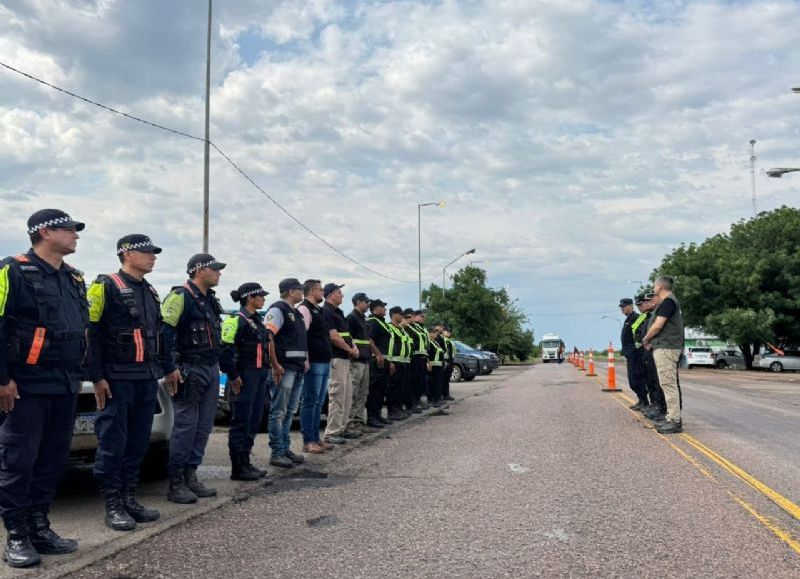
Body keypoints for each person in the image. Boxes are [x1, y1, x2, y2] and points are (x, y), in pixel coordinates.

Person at [0, 209, 87, 568]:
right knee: (18, 461)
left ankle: (40, 526)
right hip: (25, 385)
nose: (76, 235)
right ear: (46, 232)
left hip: (64, 382)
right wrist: (2, 379)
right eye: (70, 229)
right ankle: (17, 535)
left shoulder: (74, 278)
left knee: (52, 460)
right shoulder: (12, 269)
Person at [87, 234, 163, 532]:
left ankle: (129, 497)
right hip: (116, 379)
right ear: (127, 254)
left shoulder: (150, 291)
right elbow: (90, 331)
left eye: (153, 252)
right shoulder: (105, 285)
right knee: (113, 442)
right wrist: (96, 376)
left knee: (138, 441)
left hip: (146, 378)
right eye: (147, 252)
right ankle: (113, 504)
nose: (153, 256)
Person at [160, 253, 225, 504]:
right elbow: (164, 334)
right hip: (189, 368)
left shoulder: (209, 300)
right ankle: (176, 482)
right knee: (186, 426)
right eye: (215, 269)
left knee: (204, 425)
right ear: (199, 270)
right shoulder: (180, 296)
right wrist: (169, 368)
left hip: (210, 368)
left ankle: (191, 475)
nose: (219, 273)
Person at [219, 283, 271, 482]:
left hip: (260, 375)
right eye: (260, 296)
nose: (263, 299)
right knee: (241, 421)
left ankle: (246, 462)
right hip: (244, 376)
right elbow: (226, 350)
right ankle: (238, 467)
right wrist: (233, 376)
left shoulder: (257, 320)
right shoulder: (235, 320)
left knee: (254, 419)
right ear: (250, 298)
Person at [264, 278, 308, 467]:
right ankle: (277, 452)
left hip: (297, 368)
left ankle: (284, 448)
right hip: (284, 368)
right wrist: (275, 365)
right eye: (300, 289)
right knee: (279, 411)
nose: (302, 292)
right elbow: (268, 337)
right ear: (291, 291)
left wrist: (305, 361)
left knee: (289, 411)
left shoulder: (296, 313)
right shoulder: (278, 310)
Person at [642, 276, 685, 434]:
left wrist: (646, 338)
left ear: (660, 287)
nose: (653, 288)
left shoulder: (668, 302)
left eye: (654, 285)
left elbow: (658, 326)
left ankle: (674, 421)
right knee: (667, 383)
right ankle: (671, 417)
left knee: (668, 383)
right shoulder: (666, 302)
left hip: (667, 348)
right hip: (664, 347)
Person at [297, 279, 332, 455]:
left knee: (318, 402)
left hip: (324, 361)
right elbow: (302, 335)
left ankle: (316, 438)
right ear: (312, 291)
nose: (323, 292)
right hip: (314, 362)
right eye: (320, 289)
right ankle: (308, 440)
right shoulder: (305, 308)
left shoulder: (318, 310)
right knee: (310, 401)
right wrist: (305, 358)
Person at [322, 283, 361, 445]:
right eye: (339, 293)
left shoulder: (339, 312)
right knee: (337, 396)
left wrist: (354, 346)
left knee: (346, 396)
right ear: (331, 294)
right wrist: (349, 349)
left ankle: (342, 428)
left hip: (345, 358)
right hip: (336, 357)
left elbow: (346, 335)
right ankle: (332, 432)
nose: (342, 295)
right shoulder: (327, 312)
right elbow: (333, 336)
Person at [346, 292, 380, 432]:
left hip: (365, 361)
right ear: (358, 302)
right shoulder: (352, 318)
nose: (368, 304)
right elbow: (348, 338)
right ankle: (350, 424)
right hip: (356, 361)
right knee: (353, 393)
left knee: (362, 393)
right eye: (366, 302)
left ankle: (359, 422)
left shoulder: (362, 318)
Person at [633, 293, 667, 422]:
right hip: (646, 350)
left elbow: (656, 330)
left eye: (641, 304)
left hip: (655, 350)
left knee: (658, 381)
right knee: (651, 380)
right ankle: (656, 405)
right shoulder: (648, 316)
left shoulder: (657, 314)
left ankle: (661, 407)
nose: (640, 307)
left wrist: (646, 342)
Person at [619, 298, 649, 410]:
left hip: (636, 354)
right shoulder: (628, 319)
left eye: (624, 306)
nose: (622, 309)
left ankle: (644, 401)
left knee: (637, 378)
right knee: (633, 379)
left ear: (631, 306)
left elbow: (639, 335)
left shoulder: (636, 318)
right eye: (621, 307)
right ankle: (641, 400)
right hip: (630, 354)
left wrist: (638, 350)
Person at [366, 299, 392, 428]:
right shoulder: (373, 321)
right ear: (376, 308)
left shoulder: (382, 322)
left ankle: (378, 414)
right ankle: (372, 417)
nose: (385, 310)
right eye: (383, 307)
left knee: (382, 389)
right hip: (376, 360)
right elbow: (369, 339)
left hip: (384, 360)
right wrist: (377, 354)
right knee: (375, 389)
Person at [407, 310, 430, 411]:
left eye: (424, 316)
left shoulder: (421, 328)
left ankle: (417, 399)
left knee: (421, 381)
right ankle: (413, 401)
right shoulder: (411, 327)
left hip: (422, 357)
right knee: (414, 381)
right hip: (415, 357)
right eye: (421, 316)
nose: (423, 318)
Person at [426, 327, 446, 407]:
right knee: (432, 383)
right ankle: (432, 399)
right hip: (432, 365)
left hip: (439, 365)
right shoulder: (429, 342)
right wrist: (428, 364)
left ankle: (437, 398)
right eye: (434, 332)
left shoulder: (436, 342)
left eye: (436, 332)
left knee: (438, 383)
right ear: (430, 333)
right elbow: (427, 353)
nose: (435, 334)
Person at [441, 325, 456, 401]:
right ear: (443, 332)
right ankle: (443, 395)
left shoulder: (449, 341)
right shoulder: (442, 340)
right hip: (446, 360)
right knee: (444, 379)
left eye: (449, 331)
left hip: (451, 360)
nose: (449, 333)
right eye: (447, 331)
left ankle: (446, 394)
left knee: (447, 379)